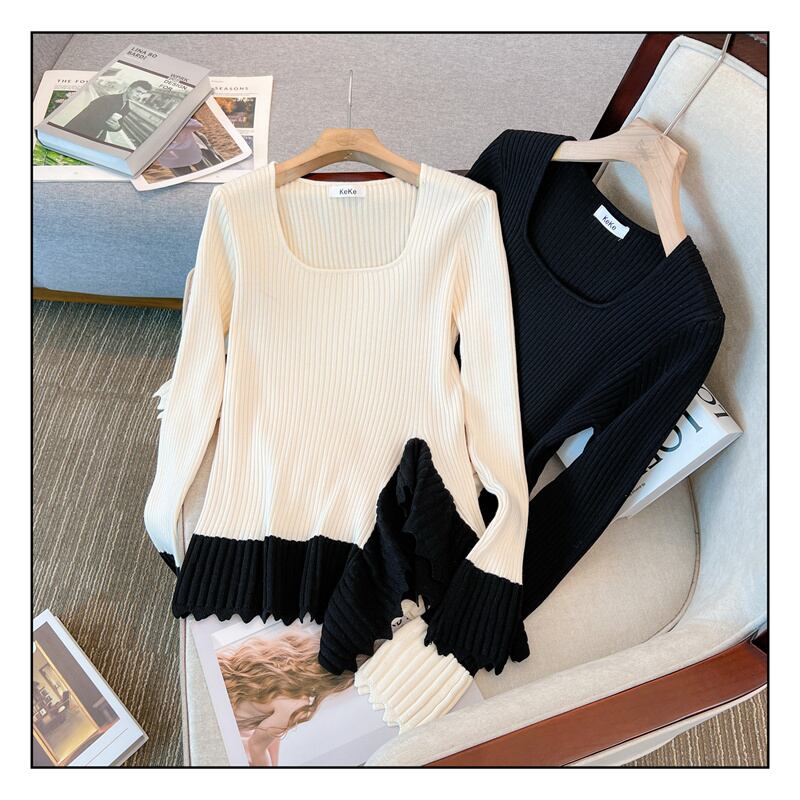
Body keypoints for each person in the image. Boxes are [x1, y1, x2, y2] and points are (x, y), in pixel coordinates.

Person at [217, 628, 363, 766]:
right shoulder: (297, 704)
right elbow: (256, 747)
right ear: (334, 683)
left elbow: (272, 730)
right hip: (218, 717)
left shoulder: (288, 650)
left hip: (219, 682)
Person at [62, 79, 151, 141]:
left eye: (142, 94)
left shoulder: (126, 107)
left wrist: (117, 127)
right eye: (138, 91)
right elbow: (91, 121)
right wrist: (110, 126)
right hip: (77, 133)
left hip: (96, 136)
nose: (139, 95)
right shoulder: (106, 100)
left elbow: (119, 124)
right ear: (129, 89)